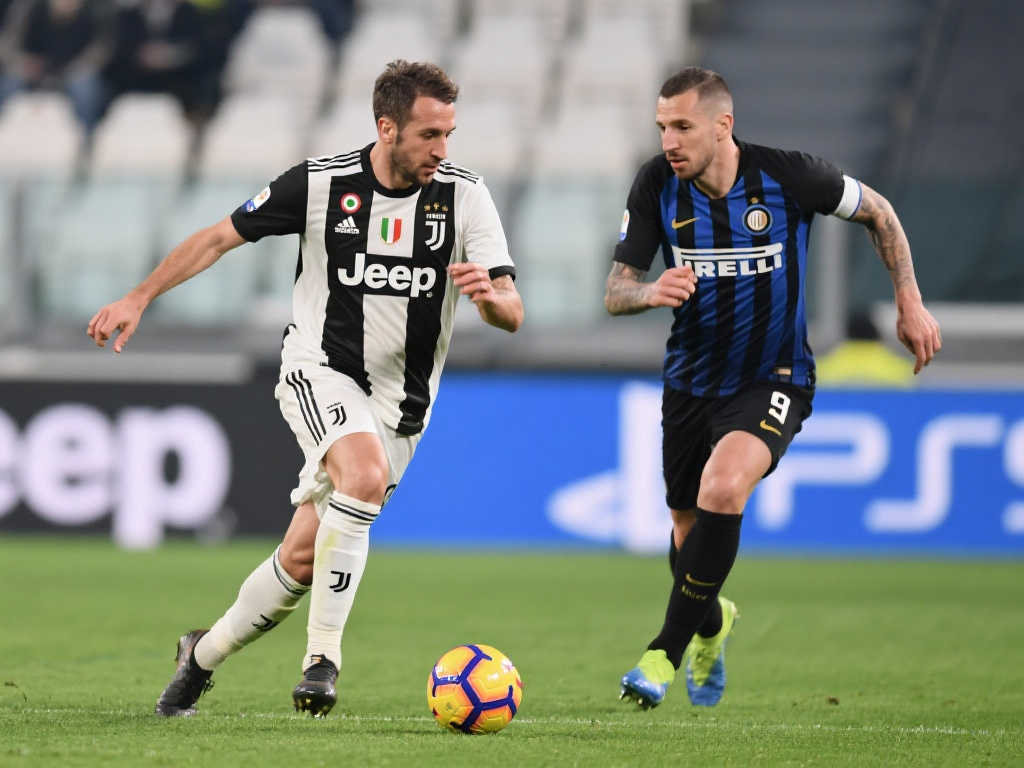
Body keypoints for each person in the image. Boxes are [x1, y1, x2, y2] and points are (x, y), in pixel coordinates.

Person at [86, 59, 523, 718]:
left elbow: (512, 311)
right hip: (320, 368)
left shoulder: (465, 196)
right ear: (387, 128)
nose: (442, 149)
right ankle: (322, 660)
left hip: (403, 404)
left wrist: (489, 298)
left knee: (301, 559)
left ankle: (199, 656)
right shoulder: (322, 184)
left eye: (448, 134)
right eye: (429, 134)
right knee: (363, 475)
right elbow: (218, 237)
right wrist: (139, 296)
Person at [605, 67, 941, 709]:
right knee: (686, 533)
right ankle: (712, 626)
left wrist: (909, 299)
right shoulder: (655, 183)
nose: (669, 141)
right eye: (662, 127)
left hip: (774, 376)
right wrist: (649, 292)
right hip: (690, 381)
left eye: (682, 126)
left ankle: (661, 655)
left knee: (723, 487)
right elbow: (616, 290)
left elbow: (879, 212)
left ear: (722, 125)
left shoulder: (789, 176)